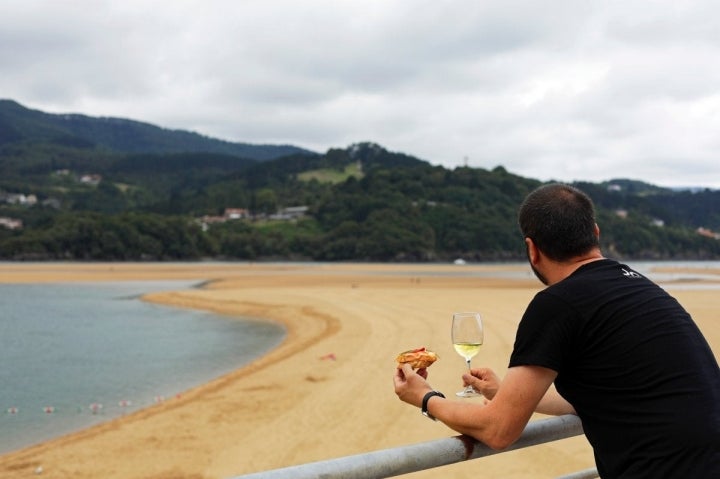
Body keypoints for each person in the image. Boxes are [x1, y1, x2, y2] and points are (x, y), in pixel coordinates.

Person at [394, 183, 720, 478]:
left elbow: (498, 431)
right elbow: (598, 397)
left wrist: (424, 397)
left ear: (532, 249)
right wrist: (506, 393)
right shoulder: (643, 288)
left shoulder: (558, 303)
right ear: (594, 232)